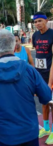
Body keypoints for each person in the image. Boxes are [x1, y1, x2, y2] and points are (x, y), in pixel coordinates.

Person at [0, 29, 51, 146]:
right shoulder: (29, 69)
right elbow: (46, 96)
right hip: (29, 131)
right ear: (15, 48)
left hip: (6, 135)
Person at [32, 12, 53, 144]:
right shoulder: (35, 35)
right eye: (35, 22)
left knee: (52, 104)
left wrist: (50, 82)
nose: (37, 23)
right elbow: (38, 57)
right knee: (44, 102)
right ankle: (45, 128)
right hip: (41, 75)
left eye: (40, 20)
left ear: (46, 21)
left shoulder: (52, 34)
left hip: (51, 74)